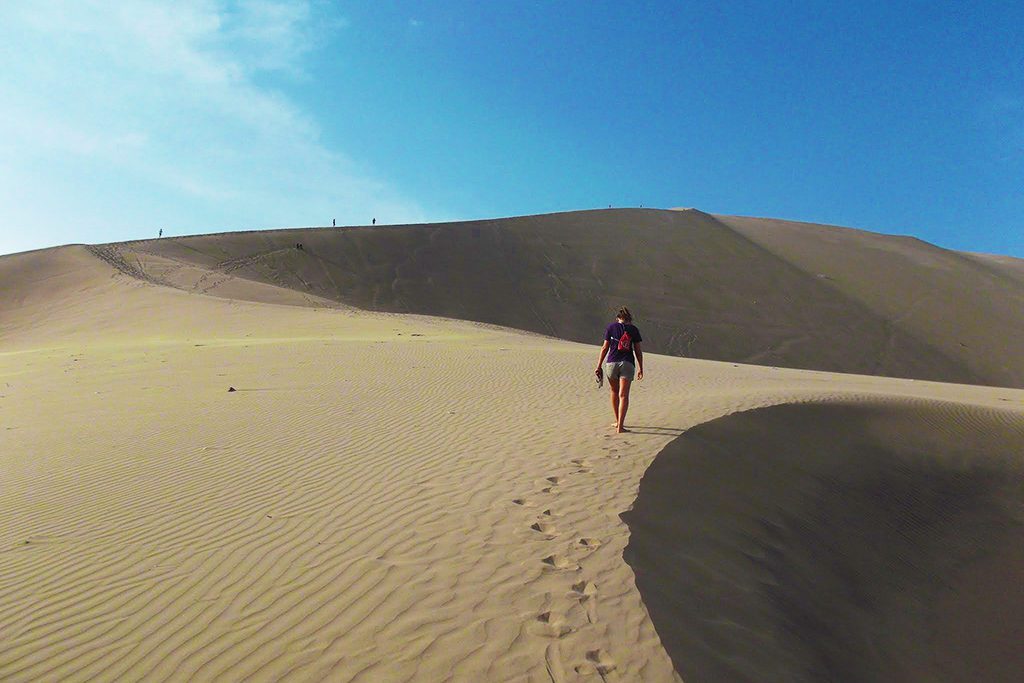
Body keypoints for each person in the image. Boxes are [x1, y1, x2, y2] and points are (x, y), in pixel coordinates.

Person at [596, 306, 644, 433]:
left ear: (618, 318)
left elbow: (604, 347)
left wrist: (599, 365)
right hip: (627, 364)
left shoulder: (611, 327)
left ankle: (617, 421)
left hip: (611, 363)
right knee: (624, 395)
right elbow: (638, 351)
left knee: (614, 392)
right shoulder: (634, 330)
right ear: (629, 319)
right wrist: (640, 367)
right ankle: (620, 427)